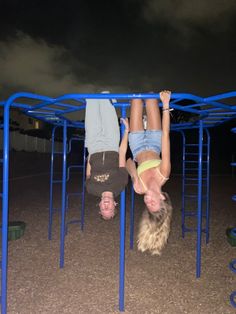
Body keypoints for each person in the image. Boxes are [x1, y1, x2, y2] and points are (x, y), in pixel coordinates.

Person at [126, 90, 172, 254]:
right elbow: (165, 135)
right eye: (153, 203)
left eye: (147, 206)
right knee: (152, 96)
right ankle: (148, 117)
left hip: (137, 145)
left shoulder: (139, 188)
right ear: (162, 198)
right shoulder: (164, 173)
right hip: (155, 142)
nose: (147, 202)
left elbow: (128, 162)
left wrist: (133, 176)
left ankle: (139, 114)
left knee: (135, 98)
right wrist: (166, 105)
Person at [85, 93, 129, 220]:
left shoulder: (91, 189)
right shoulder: (120, 184)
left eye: (103, 209)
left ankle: (91, 90)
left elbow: (88, 172)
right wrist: (126, 131)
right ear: (115, 204)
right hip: (111, 144)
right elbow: (122, 155)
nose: (105, 206)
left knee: (91, 101)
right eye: (109, 208)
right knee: (105, 102)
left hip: (93, 145)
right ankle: (104, 92)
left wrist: (90, 152)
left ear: (99, 205)